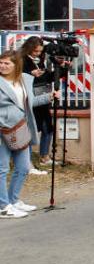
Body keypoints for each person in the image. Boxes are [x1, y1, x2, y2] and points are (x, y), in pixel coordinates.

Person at [0, 50, 58, 218]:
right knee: (2, 169)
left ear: (16, 65)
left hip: (21, 128)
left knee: (24, 167)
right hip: (3, 129)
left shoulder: (24, 80)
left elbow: (29, 103)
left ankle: (13, 200)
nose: (3, 66)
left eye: (7, 63)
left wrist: (49, 97)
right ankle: (3, 206)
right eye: (1, 63)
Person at [20, 37, 54, 172]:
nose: (37, 54)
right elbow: (16, 76)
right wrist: (30, 74)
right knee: (30, 130)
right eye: (35, 51)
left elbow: (45, 77)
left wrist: (60, 70)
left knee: (48, 127)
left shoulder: (39, 60)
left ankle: (44, 156)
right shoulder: (21, 59)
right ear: (28, 48)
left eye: (40, 51)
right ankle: (27, 163)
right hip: (30, 97)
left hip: (42, 95)